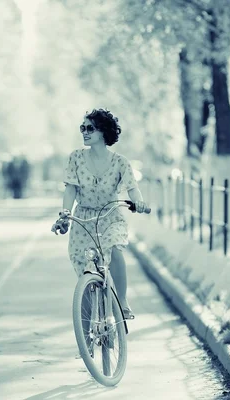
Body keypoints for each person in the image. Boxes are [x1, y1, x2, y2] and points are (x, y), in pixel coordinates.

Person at [51, 108, 148, 319]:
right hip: (82, 219)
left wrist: (138, 202)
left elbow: (132, 187)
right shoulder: (75, 158)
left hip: (110, 216)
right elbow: (70, 188)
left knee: (113, 248)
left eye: (90, 128)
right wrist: (65, 213)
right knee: (85, 278)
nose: (84, 132)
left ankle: (121, 302)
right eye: (82, 128)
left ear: (103, 132)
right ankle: (86, 343)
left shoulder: (121, 162)